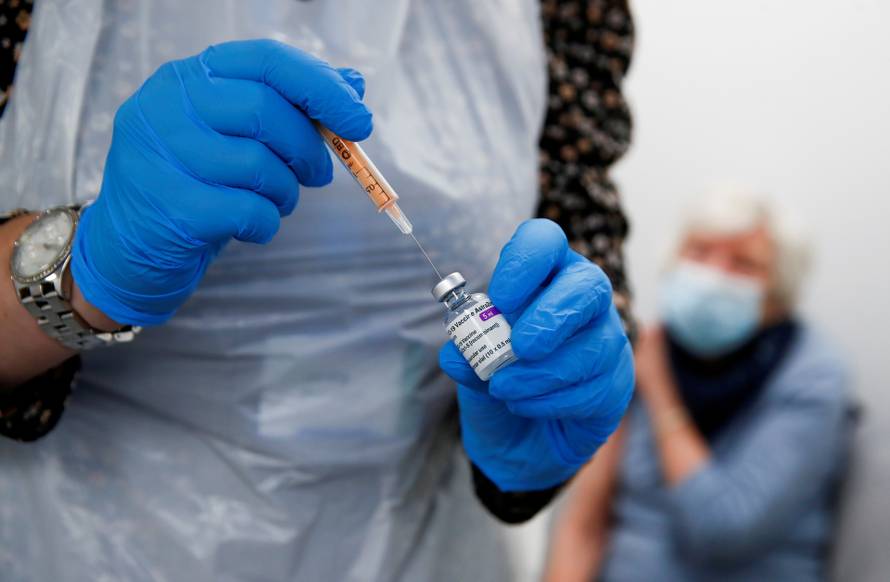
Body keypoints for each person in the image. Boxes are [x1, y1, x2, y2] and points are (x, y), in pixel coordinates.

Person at [0, 1, 636, 580]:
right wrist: (77, 271)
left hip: (421, 551)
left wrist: (555, 400)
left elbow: (582, 228)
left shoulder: (565, 10)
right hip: (81, 546)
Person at [545, 189, 856, 582]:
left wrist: (661, 393)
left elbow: (723, 531)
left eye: (742, 264)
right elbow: (582, 525)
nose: (713, 275)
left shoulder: (811, 375)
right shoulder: (637, 351)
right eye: (699, 253)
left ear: (779, 295)